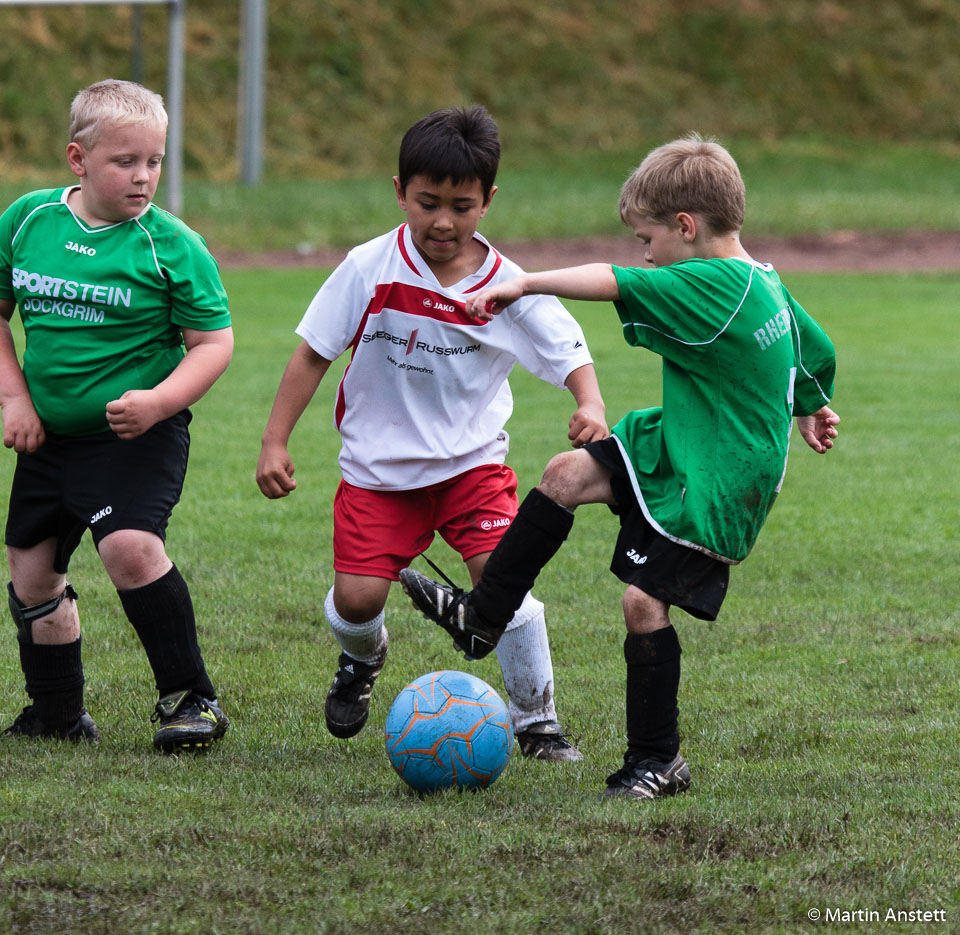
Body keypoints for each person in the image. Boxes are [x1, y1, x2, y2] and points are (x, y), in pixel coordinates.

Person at [400, 134, 839, 798]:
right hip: (677, 441)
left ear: (686, 227)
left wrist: (522, 284)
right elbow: (815, 343)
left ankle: (658, 759)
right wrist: (810, 404)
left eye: (648, 237)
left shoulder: (714, 281)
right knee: (564, 473)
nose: (646, 252)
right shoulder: (761, 278)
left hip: (719, 480)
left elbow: (612, 280)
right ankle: (484, 616)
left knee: (643, 603)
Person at [256, 105, 607, 760]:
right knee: (357, 602)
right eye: (427, 202)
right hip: (378, 473)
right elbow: (312, 351)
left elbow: (568, 350)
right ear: (399, 192)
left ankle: (537, 722)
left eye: (462, 206)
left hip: (472, 470)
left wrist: (590, 402)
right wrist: (275, 440)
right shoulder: (369, 267)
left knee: (505, 586)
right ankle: (362, 659)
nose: (443, 220)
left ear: (487, 202)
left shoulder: (508, 284)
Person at [0, 79, 233, 752]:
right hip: (48, 438)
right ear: (78, 159)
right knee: (31, 570)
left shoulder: (172, 244)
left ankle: (192, 699)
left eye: (155, 161)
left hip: (136, 434)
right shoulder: (26, 222)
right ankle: (57, 713)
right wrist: (15, 398)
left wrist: (160, 401)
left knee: (129, 547)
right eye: (125, 161)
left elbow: (213, 343)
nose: (143, 177)